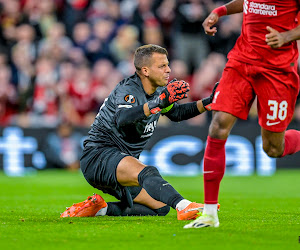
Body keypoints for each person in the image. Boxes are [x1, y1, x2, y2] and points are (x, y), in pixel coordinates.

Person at [60, 44, 218, 220]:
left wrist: (207, 103)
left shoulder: (157, 92)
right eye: (162, 66)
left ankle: (98, 209)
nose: (168, 70)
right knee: (148, 172)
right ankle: (184, 206)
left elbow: (177, 113)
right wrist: (157, 103)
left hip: (120, 161)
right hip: (99, 156)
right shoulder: (128, 90)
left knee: (161, 206)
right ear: (145, 70)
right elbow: (123, 118)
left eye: (167, 65)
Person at [184, 0, 300, 229]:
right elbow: (247, 2)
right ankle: (209, 214)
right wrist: (220, 11)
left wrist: (287, 37)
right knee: (218, 125)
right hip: (241, 62)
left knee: (273, 148)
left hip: (277, 71)